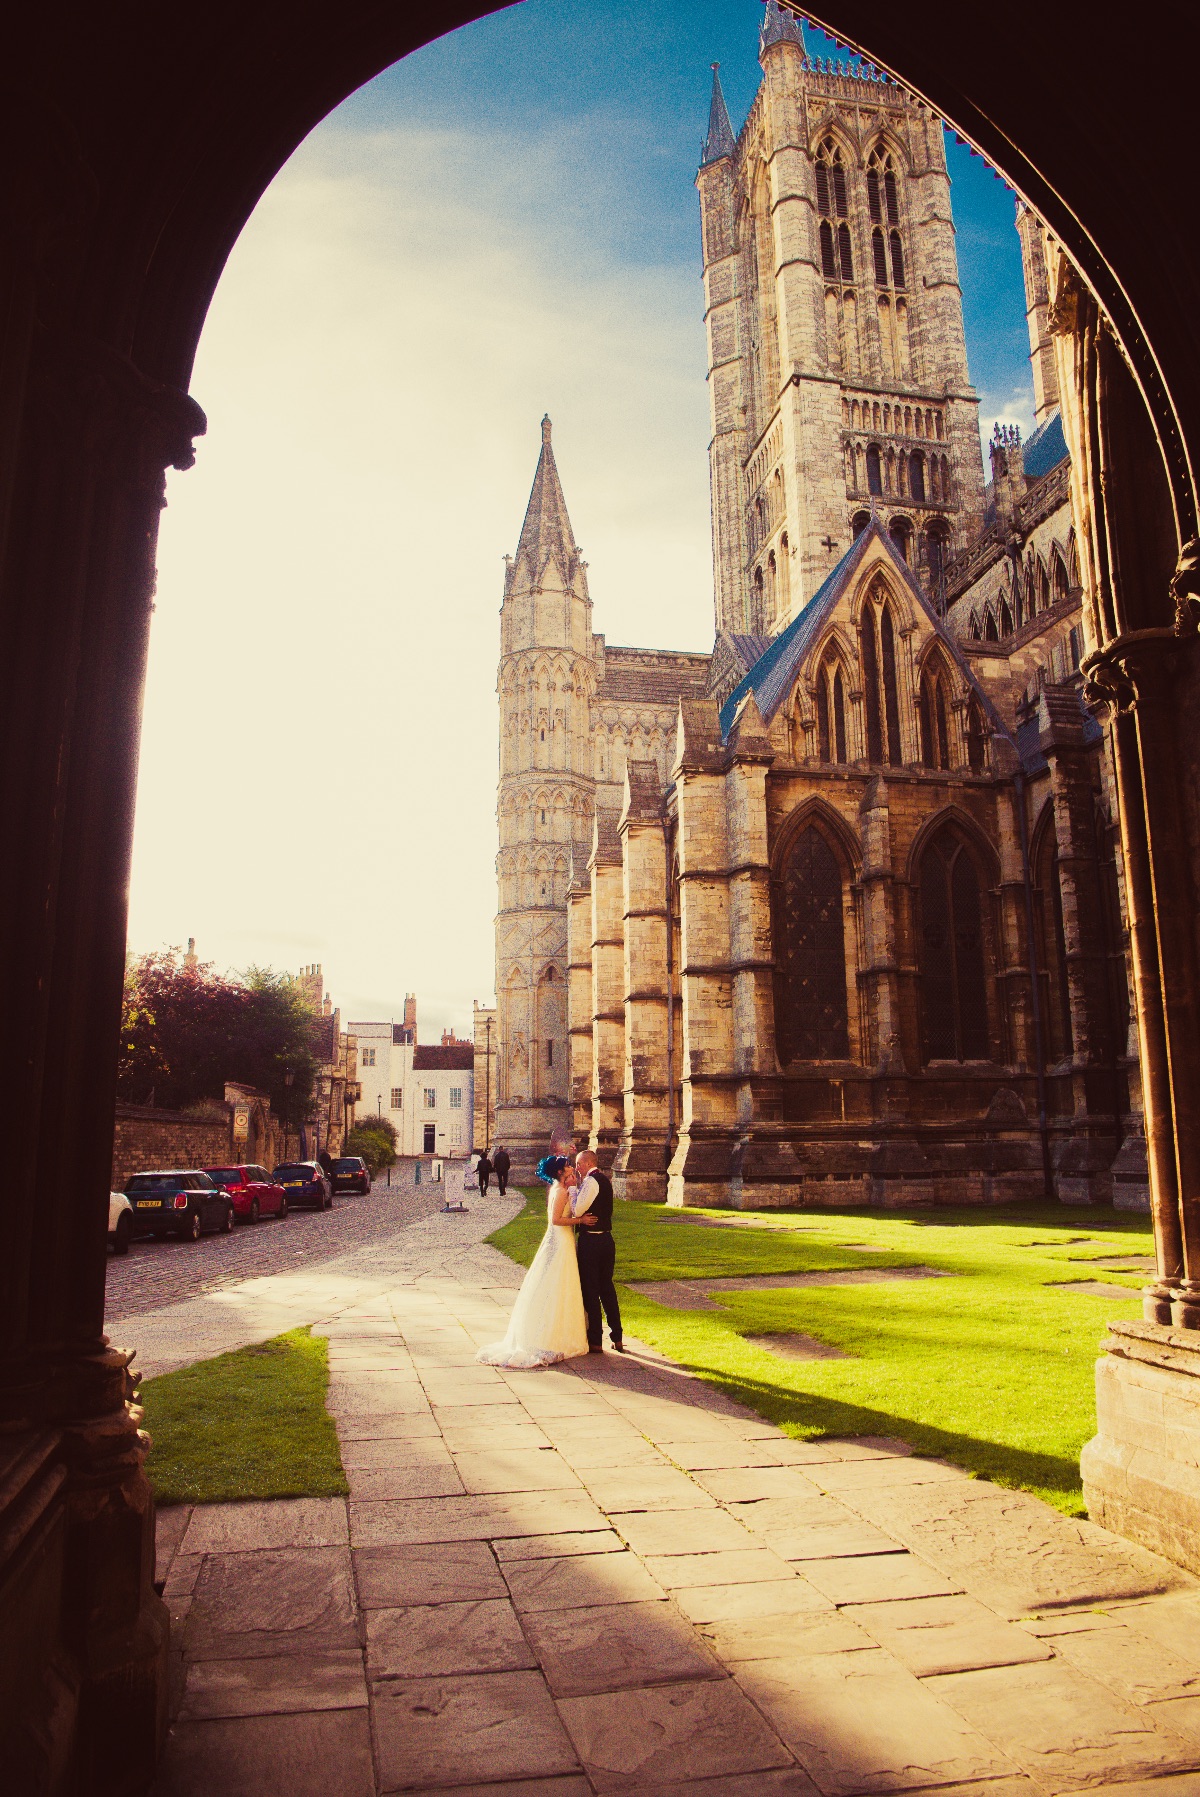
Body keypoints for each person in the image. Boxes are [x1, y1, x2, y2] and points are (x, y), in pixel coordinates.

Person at [476, 1157, 591, 1368]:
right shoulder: (561, 1191)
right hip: (560, 1238)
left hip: (562, 1239)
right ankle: (554, 1337)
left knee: (560, 1282)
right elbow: (556, 1220)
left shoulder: (559, 1188)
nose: (570, 1167)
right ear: (559, 1172)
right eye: (567, 1166)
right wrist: (580, 1221)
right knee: (559, 1281)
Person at [573, 1149, 623, 1354]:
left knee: (591, 1290)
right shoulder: (604, 1180)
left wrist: (572, 1191)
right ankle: (617, 1336)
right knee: (607, 1288)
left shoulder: (591, 1181)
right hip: (606, 1240)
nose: (576, 1168)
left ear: (587, 1164)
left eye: (578, 1164)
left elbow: (577, 1210)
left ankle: (595, 1340)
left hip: (592, 1242)